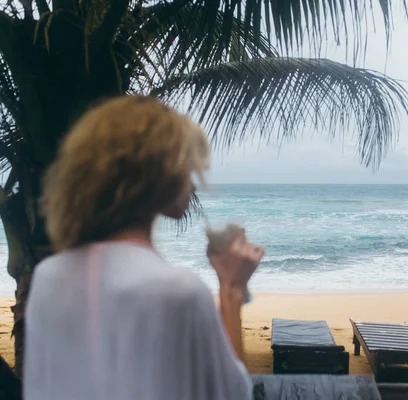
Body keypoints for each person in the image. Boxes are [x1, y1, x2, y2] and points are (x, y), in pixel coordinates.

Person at [24, 95, 264, 400]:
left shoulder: (48, 278)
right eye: (186, 168)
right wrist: (231, 289)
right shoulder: (177, 291)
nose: (193, 185)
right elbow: (232, 395)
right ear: (159, 176)